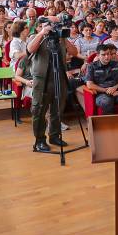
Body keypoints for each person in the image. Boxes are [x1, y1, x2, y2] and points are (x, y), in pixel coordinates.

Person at [27, 19, 79, 152]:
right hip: (42, 79)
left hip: (59, 78)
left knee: (57, 109)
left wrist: (64, 39)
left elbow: (74, 52)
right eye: (49, 25)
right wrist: (43, 34)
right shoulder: (36, 37)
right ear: (40, 27)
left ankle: (54, 135)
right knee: (39, 110)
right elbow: (30, 49)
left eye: (55, 25)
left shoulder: (60, 38)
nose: (52, 28)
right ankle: (39, 140)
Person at [86, 44, 118, 114]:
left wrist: (115, 87)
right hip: (101, 93)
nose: (107, 57)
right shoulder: (92, 66)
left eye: (108, 54)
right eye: (103, 55)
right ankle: (110, 124)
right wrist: (107, 91)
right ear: (98, 55)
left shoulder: (116, 64)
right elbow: (90, 85)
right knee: (107, 102)